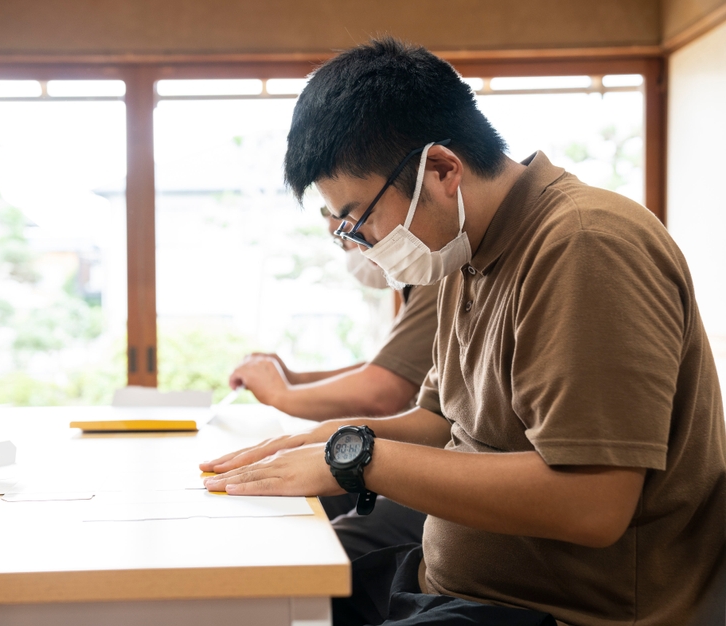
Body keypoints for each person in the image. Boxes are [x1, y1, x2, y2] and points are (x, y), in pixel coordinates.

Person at [201, 37, 726, 626]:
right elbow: (442, 422)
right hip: (453, 583)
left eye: (359, 218)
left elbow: (592, 502)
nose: (363, 245)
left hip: (561, 611)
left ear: (443, 169)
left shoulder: (585, 243)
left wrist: (358, 459)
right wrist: (332, 437)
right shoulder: (463, 252)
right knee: (245, 593)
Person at [229, 207, 439, 422]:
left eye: (351, 231)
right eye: (343, 239)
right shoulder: (415, 285)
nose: (359, 248)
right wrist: (293, 379)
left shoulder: (435, 277)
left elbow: (381, 391)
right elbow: (388, 368)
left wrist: (279, 394)